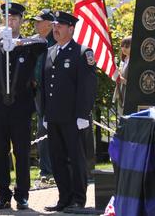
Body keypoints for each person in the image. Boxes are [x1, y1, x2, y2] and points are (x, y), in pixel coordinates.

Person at [0, 2, 47, 211]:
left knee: (21, 152)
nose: (11, 22)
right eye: (8, 19)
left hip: (20, 107)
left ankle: (22, 195)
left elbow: (42, 43)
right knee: (0, 152)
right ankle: (3, 195)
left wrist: (18, 44)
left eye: (14, 19)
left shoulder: (28, 45)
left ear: (21, 21)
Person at [41, 11, 97, 212]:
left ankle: (78, 200)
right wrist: (45, 115)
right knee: (58, 160)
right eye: (54, 26)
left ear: (71, 29)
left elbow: (87, 86)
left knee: (76, 160)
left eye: (60, 26)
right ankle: (64, 198)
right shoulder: (50, 51)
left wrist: (83, 114)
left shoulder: (82, 52)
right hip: (54, 117)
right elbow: (45, 87)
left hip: (73, 118)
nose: (55, 29)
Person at [31, 8, 56, 182]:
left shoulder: (57, 41)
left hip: (54, 92)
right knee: (42, 129)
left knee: (53, 129)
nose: (35, 24)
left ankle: (57, 167)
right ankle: (46, 169)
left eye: (39, 21)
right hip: (38, 92)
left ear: (49, 24)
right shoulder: (34, 41)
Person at [112, 36, 132, 117]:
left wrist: (122, 80)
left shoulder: (134, 62)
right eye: (122, 46)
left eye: (127, 46)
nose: (124, 48)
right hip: (121, 94)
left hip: (129, 96)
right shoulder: (124, 60)